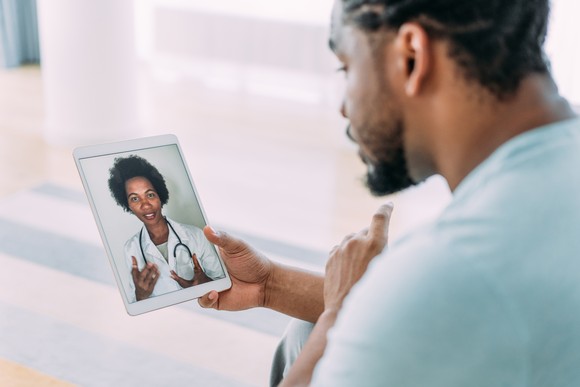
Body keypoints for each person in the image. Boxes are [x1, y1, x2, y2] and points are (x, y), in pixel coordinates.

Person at [196, 0, 580, 385]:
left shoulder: (457, 266)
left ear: (411, 55)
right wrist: (270, 286)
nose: (345, 107)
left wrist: (337, 311)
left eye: (348, 67)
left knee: (320, 335)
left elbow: (437, 303)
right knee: (308, 334)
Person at [108, 155, 225, 302]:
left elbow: (222, 281)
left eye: (150, 195)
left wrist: (205, 283)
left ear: (160, 197)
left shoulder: (195, 235)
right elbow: (135, 301)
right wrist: (141, 294)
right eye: (135, 198)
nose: (145, 205)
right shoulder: (130, 249)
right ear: (128, 206)